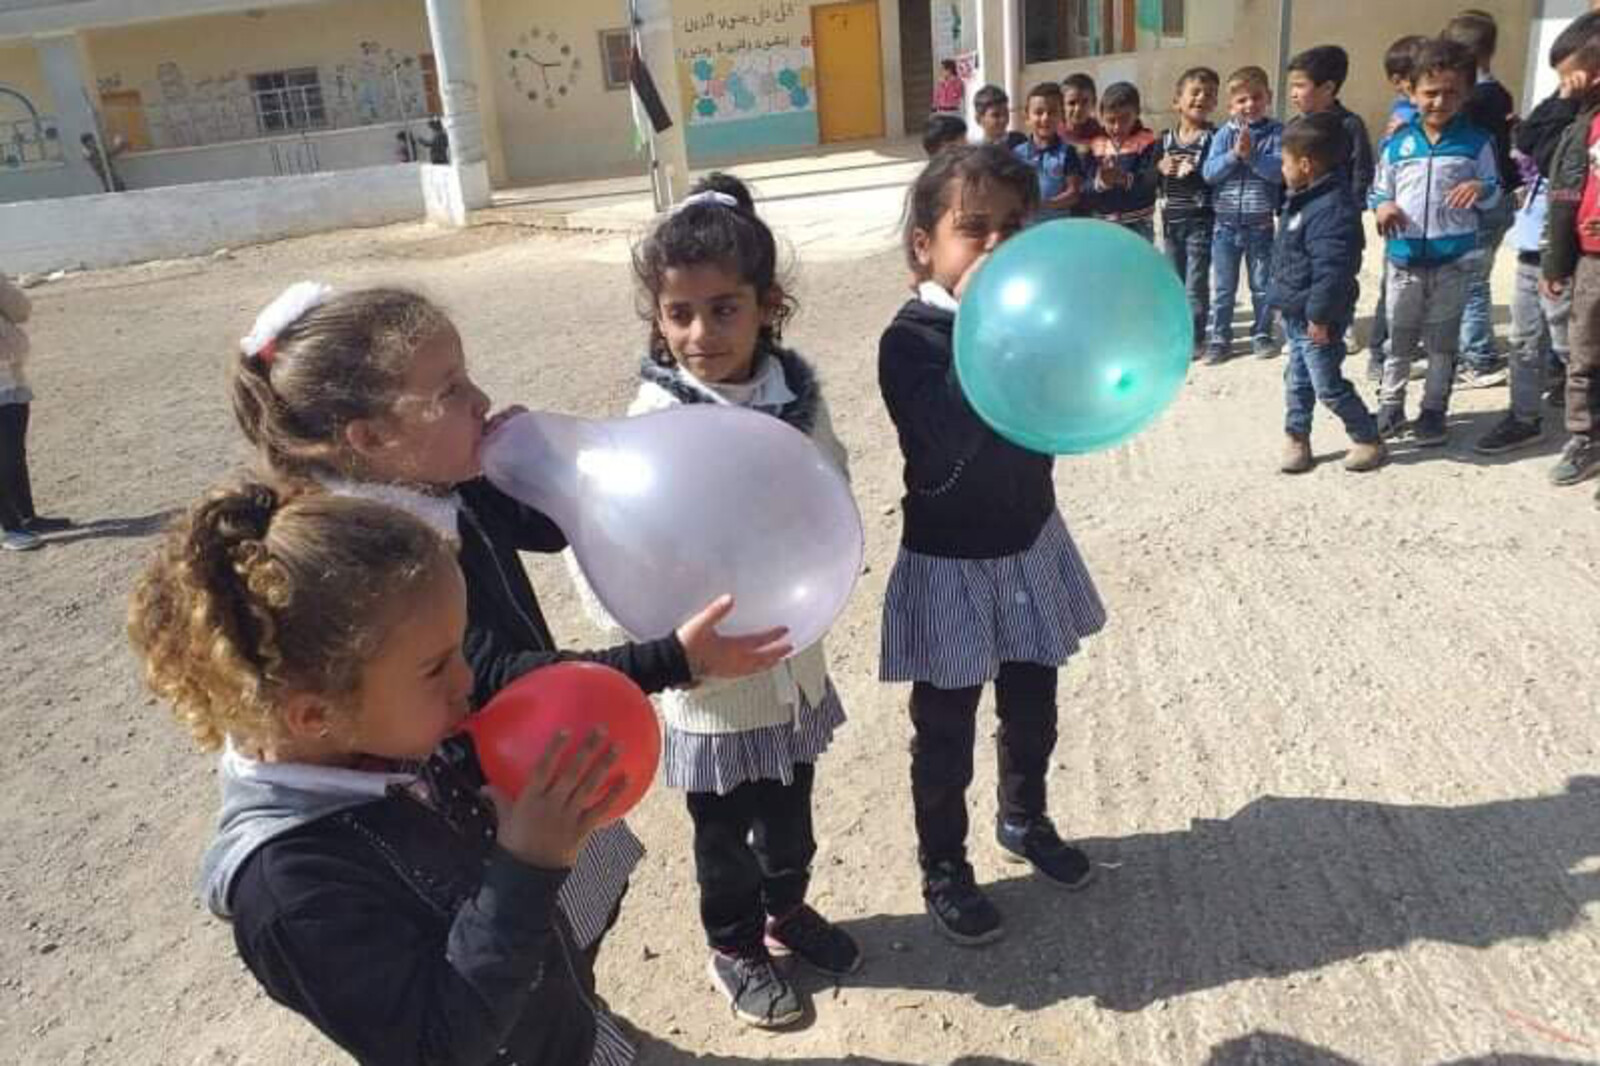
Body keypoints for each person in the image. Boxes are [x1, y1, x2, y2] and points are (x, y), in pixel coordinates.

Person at [227, 284, 791, 973]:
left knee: (578, 920)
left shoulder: (445, 482)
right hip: (484, 795)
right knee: (537, 940)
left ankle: (582, 1017)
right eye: (451, 389)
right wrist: (673, 659)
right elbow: (495, 680)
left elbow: (553, 528)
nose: (481, 400)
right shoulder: (384, 563)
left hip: (528, 758)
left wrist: (543, 464)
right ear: (369, 439)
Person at [128, 482, 636, 1065]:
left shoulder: (385, 734)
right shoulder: (292, 895)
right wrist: (525, 869)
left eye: (459, 650)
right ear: (316, 713)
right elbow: (435, 1048)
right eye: (436, 667)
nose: (467, 680)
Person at [576, 173, 859, 1028]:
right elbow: (611, 550)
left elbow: (830, 499)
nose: (701, 333)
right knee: (723, 838)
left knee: (790, 821)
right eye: (679, 314)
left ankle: (786, 907)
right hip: (711, 690)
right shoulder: (649, 426)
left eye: (724, 309)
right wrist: (661, 642)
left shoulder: (794, 401)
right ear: (657, 318)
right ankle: (734, 943)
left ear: (768, 305)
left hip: (788, 662)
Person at [879, 145, 1107, 946]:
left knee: (1033, 707)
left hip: (1027, 547)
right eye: (973, 230)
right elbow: (943, 435)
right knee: (944, 732)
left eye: (1014, 227)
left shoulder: (1036, 324)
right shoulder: (909, 339)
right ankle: (944, 866)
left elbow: (1075, 409)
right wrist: (987, 328)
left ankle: (1024, 817)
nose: (997, 246)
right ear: (924, 246)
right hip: (948, 566)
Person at [1370, 37, 1501, 447]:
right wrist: (1383, 206)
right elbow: (1377, 190)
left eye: (1451, 93)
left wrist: (1481, 188)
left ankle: (1433, 411)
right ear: (1411, 91)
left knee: (1443, 344)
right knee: (1400, 340)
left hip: (1453, 262)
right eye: (1430, 93)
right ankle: (1390, 406)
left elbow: (1496, 191)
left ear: (1464, 93)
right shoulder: (1397, 143)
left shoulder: (1477, 142)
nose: (1440, 101)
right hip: (1404, 259)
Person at [1269, 113, 1385, 475]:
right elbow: (1290, 257)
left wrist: (1319, 317)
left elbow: (1332, 271)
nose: (1282, 169)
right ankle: (1296, 436)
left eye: (1285, 162)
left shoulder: (1332, 209)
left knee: (1328, 385)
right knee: (1297, 380)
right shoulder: (1301, 198)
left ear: (1305, 165)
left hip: (1318, 319)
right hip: (1297, 312)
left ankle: (1367, 437)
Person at [1445, 11, 1519, 388]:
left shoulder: (1473, 101)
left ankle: (1480, 358)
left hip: (1483, 203)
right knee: (1473, 278)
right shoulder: (1500, 93)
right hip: (1497, 199)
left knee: (1472, 281)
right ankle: (1468, 349)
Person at [1541, 31, 1600, 497]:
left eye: (1568, 75)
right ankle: (1584, 438)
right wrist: (1556, 263)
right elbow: (1561, 193)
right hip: (1590, 261)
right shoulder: (1581, 124)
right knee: (1584, 354)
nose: (1564, 84)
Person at [1202, 65, 1284, 364]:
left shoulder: (1276, 133)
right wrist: (1234, 155)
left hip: (1260, 225)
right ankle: (1220, 338)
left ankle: (1261, 333)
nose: (1249, 105)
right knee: (1224, 289)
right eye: (1241, 100)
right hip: (1224, 228)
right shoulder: (1224, 134)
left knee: (1262, 286)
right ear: (1230, 105)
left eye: (1256, 97)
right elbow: (1209, 173)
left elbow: (1278, 173)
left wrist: (1252, 156)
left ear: (1268, 98)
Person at [1367, 35, 1429, 382]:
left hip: (1423, 220)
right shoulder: (1405, 117)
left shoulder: (1416, 114)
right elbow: (1387, 168)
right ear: (1400, 82)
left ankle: (1401, 345)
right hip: (1402, 219)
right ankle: (1380, 353)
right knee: (1395, 287)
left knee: (1414, 290)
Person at [0, 272, 69, 552]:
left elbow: (21, 310)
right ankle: (10, 528)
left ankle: (27, 516)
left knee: (15, 453)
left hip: (10, 380)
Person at [1158, 67, 1219, 354]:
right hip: (1171, 223)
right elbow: (1151, 178)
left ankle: (1195, 337)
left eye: (1209, 94)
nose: (1201, 98)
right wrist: (1159, 168)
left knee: (1195, 283)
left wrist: (1197, 172)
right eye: (1195, 92)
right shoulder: (1165, 140)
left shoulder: (1215, 138)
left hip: (1200, 222)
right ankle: (1173, 333)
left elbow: (1218, 175)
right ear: (1177, 101)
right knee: (1172, 282)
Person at [1285, 46, 1374, 211]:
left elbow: (1361, 172)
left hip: (1336, 213)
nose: (1293, 94)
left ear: (1327, 88)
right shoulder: (1293, 126)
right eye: (1292, 86)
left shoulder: (1349, 125)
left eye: (1300, 86)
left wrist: (1354, 209)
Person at [1079, 81, 1160, 241]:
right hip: (1104, 225)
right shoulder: (1095, 146)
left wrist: (1124, 179)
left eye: (1124, 119)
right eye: (1111, 120)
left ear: (1137, 113)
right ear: (1101, 116)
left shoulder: (1148, 142)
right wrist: (1101, 182)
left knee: (1138, 265)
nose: (1117, 127)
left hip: (1139, 223)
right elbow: (1084, 188)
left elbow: (1151, 182)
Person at [1013, 82, 1082, 222]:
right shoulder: (1017, 154)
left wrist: (1044, 205)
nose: (1045, 118)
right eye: (1038, 112)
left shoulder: (1068, 152)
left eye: (1052, 112)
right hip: (1025, 230)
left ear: (1061, 115)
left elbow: (1074, 194)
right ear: (1027, 117)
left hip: (1057, 230)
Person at [972, 84, 1026, 151]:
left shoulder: (1020, 143)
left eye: (1006, 113)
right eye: (996, 115)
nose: (1003, 119)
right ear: (978, 119)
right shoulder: (974, 151)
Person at [1060, 73, 1103, 153]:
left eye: (1085, 102)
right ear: (1062, 105)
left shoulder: (1101, 136)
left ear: (1094, 102)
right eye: (1072, 103)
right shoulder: (1053, 134)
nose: (1078, 109)